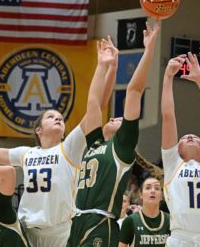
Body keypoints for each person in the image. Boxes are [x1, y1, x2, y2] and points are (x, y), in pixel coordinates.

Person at [0, 38, 116, 247]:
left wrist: (104, 66)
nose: (58, 118)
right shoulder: (26, 153)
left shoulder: (69, 147)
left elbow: (96, 106)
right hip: (28, 228)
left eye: (61, 117)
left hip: (61, 230)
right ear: (39, 129)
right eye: (51, 116)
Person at [67, 19, 160, 247]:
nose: (115, 117)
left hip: (101, 223)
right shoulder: (96, 142)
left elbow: (134, 90)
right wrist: (102, 65)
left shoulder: (122, 146)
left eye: (119, 118)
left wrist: (149, 51)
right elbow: (93, 103)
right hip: (78, 220)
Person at [161, 52, 200, 246]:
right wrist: (168, 77)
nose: (189, 136)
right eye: (184, 137)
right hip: (181, 238)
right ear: (176, 149)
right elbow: (168, 116)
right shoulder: (173, 163)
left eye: (196, 138)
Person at [119, 176, 170, 247]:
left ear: (161, 196)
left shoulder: (170, 220)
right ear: (141, 195)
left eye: (157, 188)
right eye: (148, 188)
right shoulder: (130, 221)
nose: (153, 191)